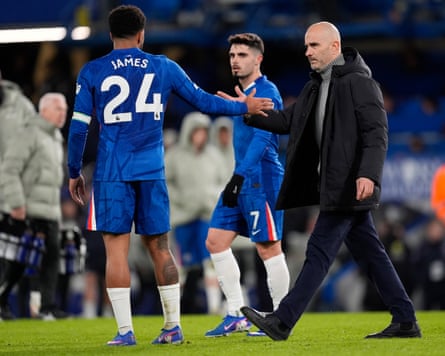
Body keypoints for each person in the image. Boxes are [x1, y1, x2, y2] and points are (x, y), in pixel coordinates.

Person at [66, 5, 273, 347]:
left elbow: (78, 129)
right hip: (151, 170)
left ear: (110, 33)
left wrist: (74, 170)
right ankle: (172, 327)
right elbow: (204, 102)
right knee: (161, 249)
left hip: (111, 174)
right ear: (142, 34)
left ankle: (124, 332)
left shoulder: (92, 71)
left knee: (115, 253)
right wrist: (244, 107)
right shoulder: (163, 66)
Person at [233, 22, 421, 340]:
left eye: (314, 46)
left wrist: (368, 174)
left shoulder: (361, 83)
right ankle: (405, 320)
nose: (307, 52)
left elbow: (377, 134)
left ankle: (282, 321)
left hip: (348, 185)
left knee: (318, 252)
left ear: (335, 47)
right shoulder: (315, 86)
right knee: (372, 254)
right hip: (333, 186)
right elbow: (286, 121)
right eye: (306, 46)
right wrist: (249, 111)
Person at [205, 33, 290, 338]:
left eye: (242, 55)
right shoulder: (243, 94)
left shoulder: (267, 91)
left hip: (262, 179)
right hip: (241, 178)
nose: (235, 60)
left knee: (268, 248)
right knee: (215, 241)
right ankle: (235, 313)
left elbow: (265, 137)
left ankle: (281, 318)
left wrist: (239, 176)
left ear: (258, 59)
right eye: (231, 55)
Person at [0, 93, 67, 320]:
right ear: (44, 110)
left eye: (65, 109)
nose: (63, 113)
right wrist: (17, 204)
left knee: (52, 260)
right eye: (58, 108)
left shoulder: (55, 138)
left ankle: (47, 306)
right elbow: (9, 169)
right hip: (27, 210)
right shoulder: (28, 133)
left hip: (50, 211)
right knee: (17, 263)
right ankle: (2, 300)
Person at [165, 111, 225, 315]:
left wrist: (212, 197)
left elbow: (223, 182)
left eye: (204, 131)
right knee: (180, 266)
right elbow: (166, 183)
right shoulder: (174, 156)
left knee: (211, 263)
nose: (202, 135)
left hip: (206, 216)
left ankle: (214, 307)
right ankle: (173, 309)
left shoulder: (214, 156)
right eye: (198, 131)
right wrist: (182, 200)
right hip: (183, 218)